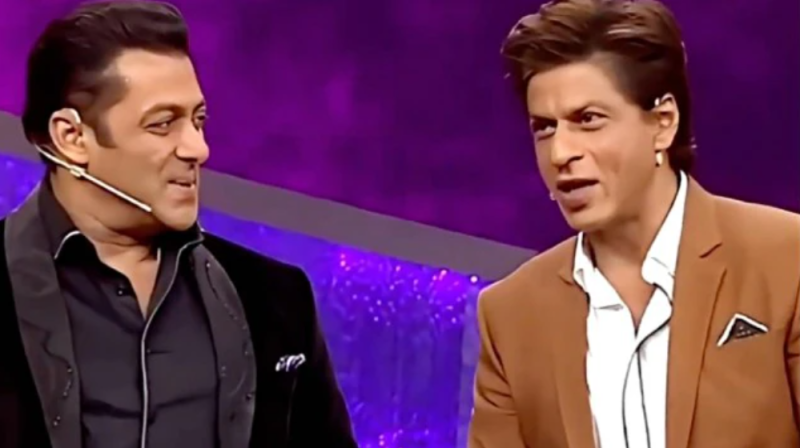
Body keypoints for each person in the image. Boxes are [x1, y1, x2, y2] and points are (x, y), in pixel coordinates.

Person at [0, 2, 357, 448]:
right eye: (163, 124)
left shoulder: (276, 301)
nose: (197, 149)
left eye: (198, 120)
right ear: (72, 138)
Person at [468, 0, 800, 447]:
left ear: (663, 123)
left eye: (588, 120)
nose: (560, 153)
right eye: (544, 128)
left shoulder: (785, 260)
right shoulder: (511, 315)